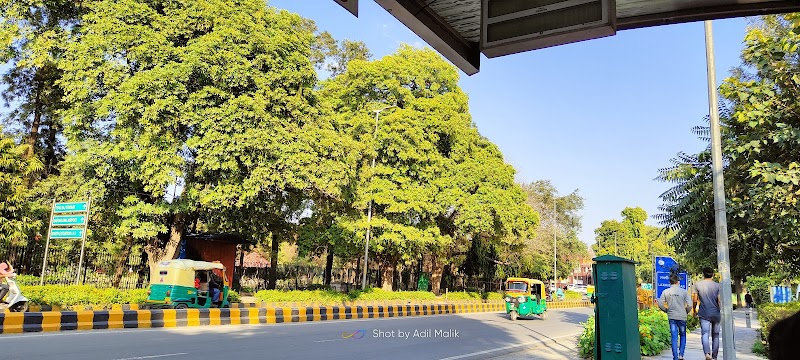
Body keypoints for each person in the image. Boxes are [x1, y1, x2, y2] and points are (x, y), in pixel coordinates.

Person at [659, 273, 692, 360]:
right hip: (682, 317)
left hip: (672, 316)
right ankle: (681, 355)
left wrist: (666, 310)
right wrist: (686, 311)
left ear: (670, 282)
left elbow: (660, 303)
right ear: (678, 282)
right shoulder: (684, 292)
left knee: (674, 337)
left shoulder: (666, 292)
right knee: (683, 335)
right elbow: (690, 305)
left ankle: (675, 357)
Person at [693, 267, 722, 360]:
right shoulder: (718, 286)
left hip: (704, 313)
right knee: (716, 335)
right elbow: (719, 301)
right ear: (713, 274)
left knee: (705, 333)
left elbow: (694, 300)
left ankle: (707, 353)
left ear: (703, 274)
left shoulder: (697, 285)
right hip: (715, 313)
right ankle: (714, 356)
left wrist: (694, 310)